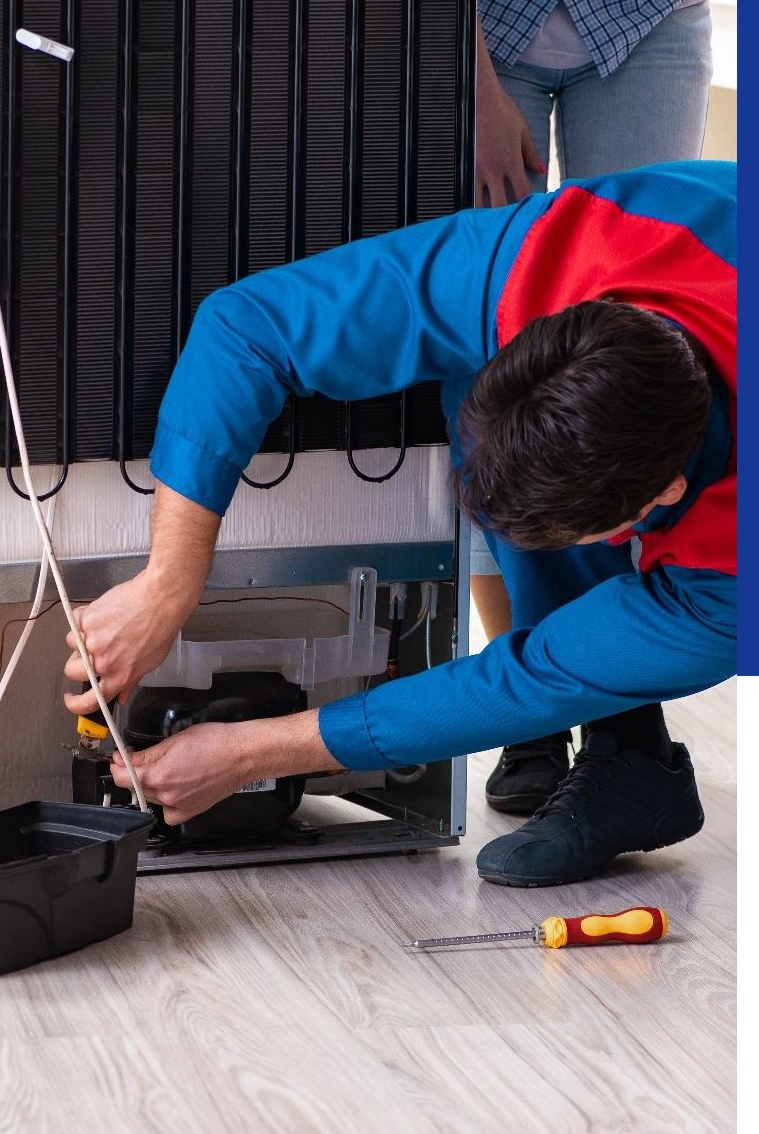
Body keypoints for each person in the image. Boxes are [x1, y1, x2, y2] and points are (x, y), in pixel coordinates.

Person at [64, 159, 736, 888]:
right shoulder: (560, 253)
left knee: (584, 641)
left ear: (662, 496)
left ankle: (630, 756)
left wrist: (246, 755)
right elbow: (250, 327)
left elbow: (527, 679)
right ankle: (625, 748)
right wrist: (169, 582)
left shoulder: (730, 582)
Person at [472, 0, 715, 814]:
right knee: (501, 367)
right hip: (481, 27)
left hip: (648, 13)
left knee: (637, 366)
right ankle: (528, 706)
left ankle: (619, 712)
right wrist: (463, 80)